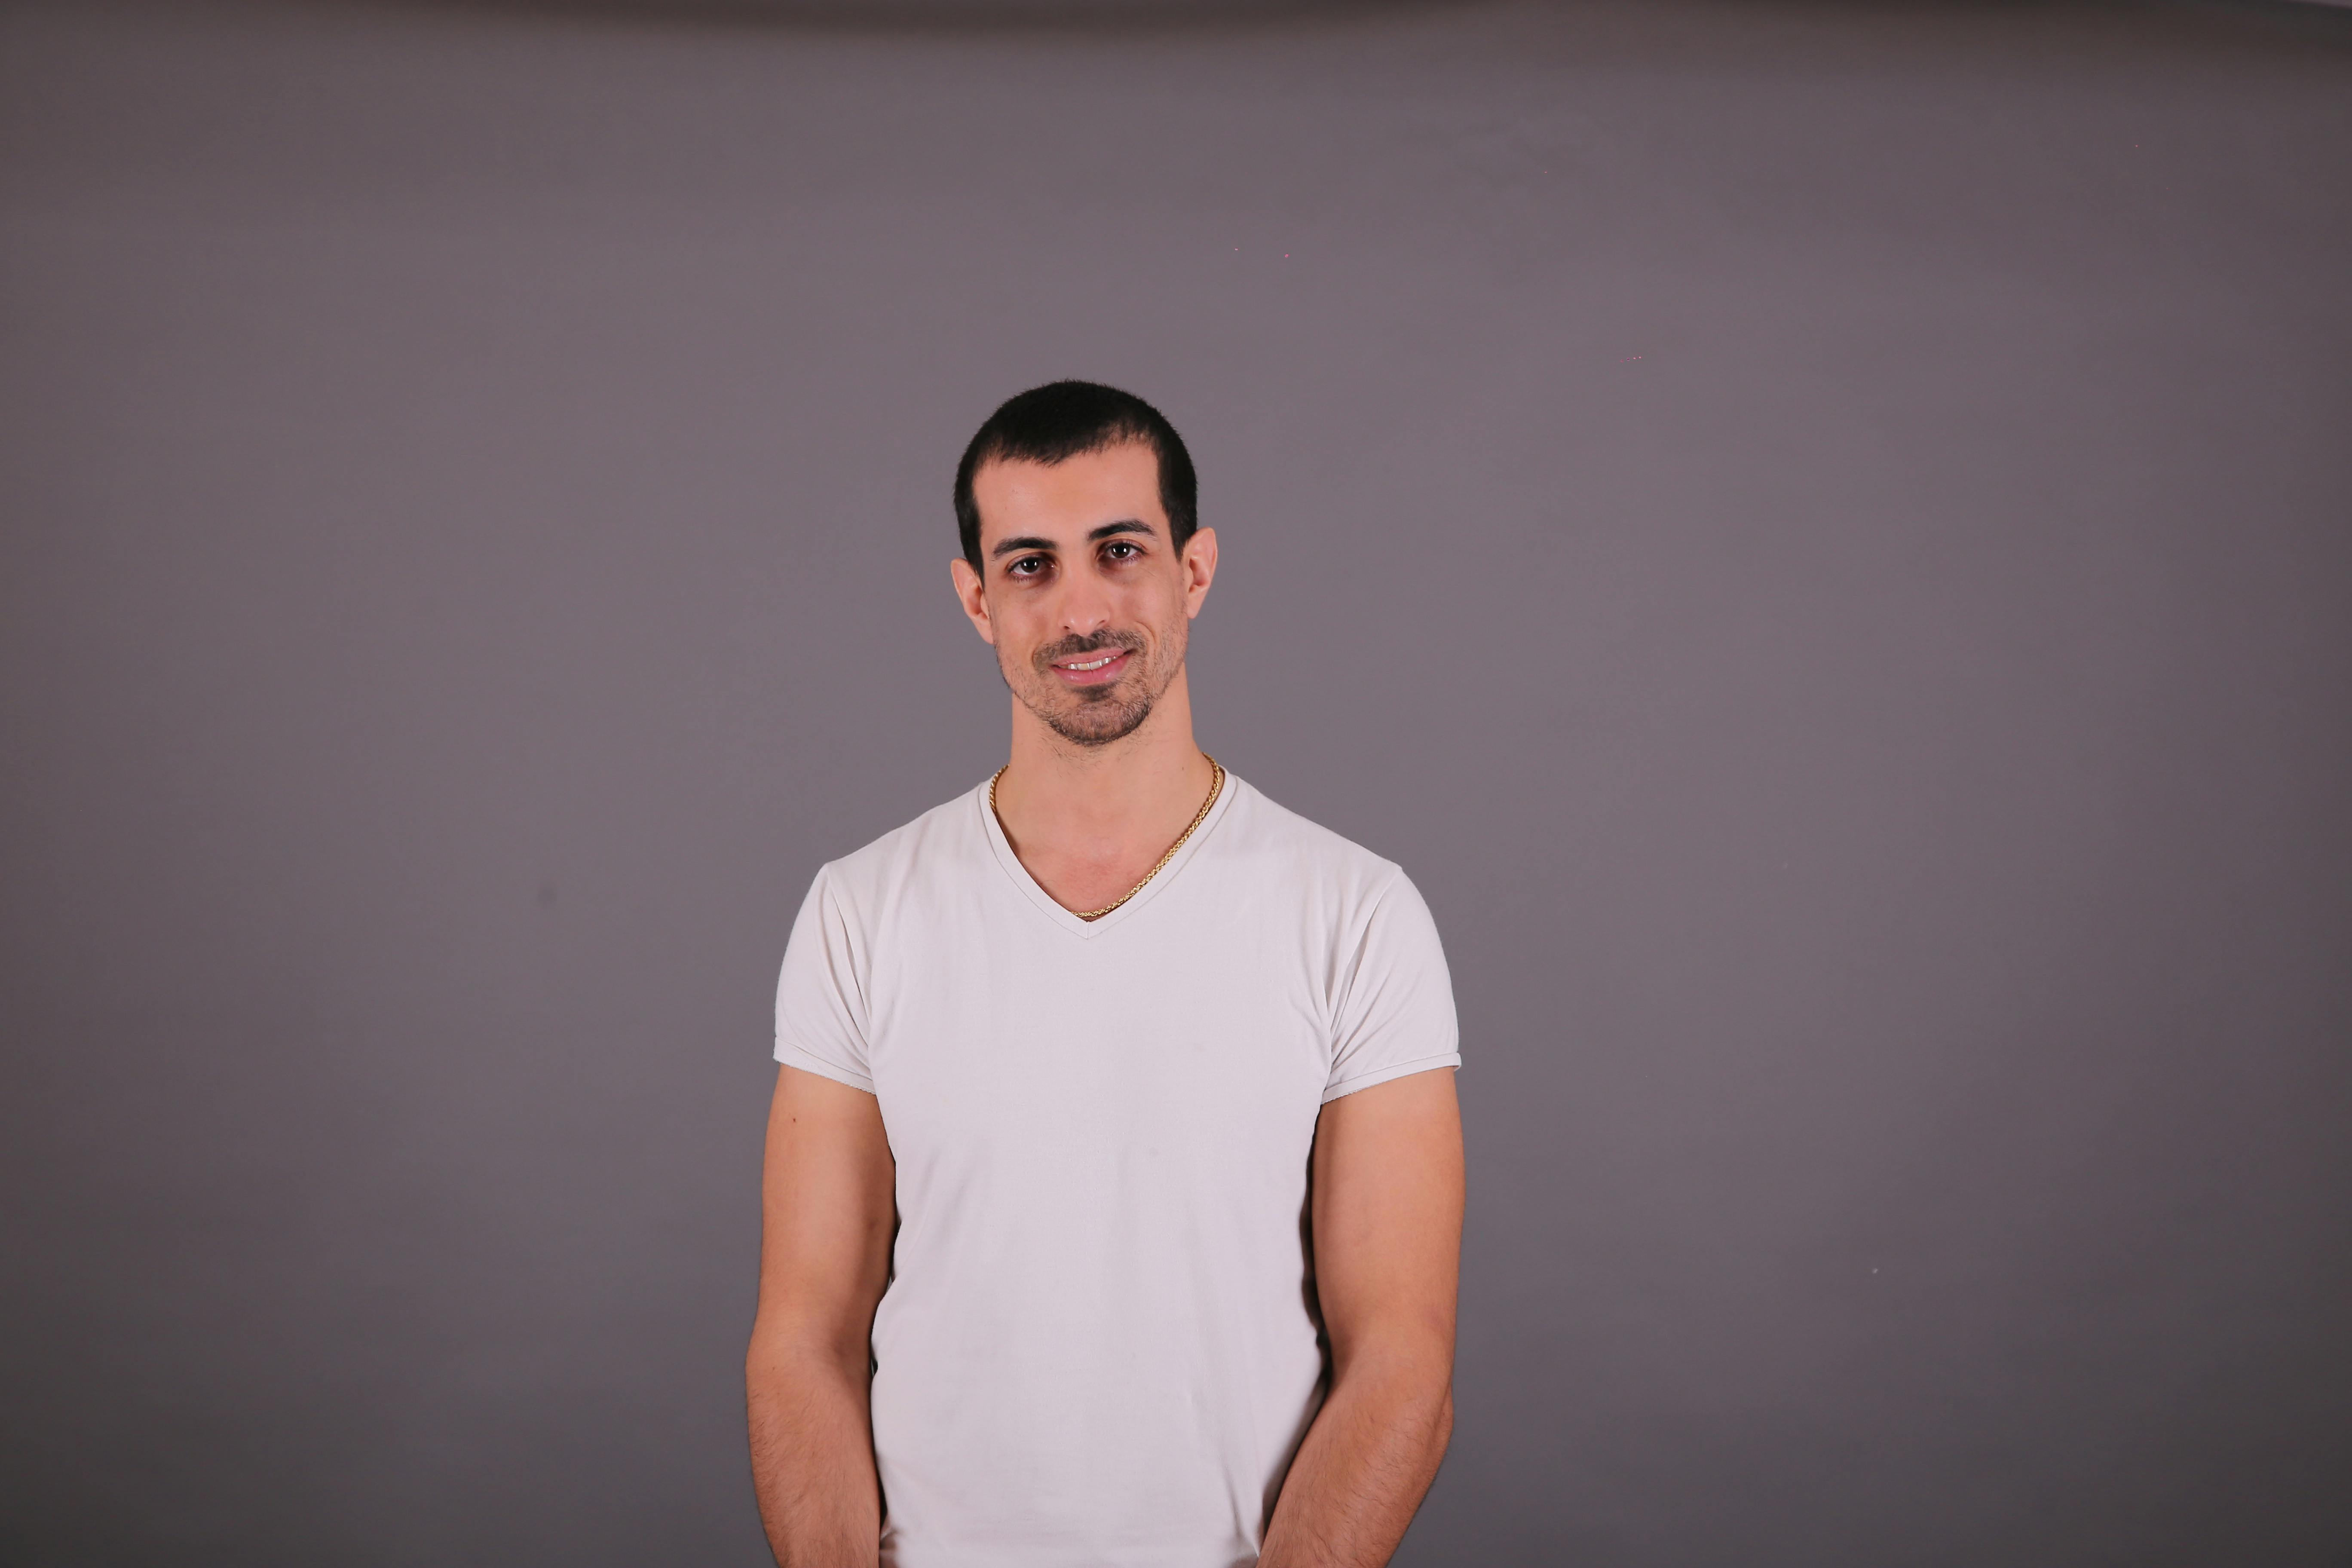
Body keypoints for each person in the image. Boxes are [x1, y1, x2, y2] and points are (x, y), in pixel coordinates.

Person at [745, 380, 1464, 1568]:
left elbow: (1401, 1358)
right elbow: (804, 1335)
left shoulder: (1354, 915)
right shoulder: (862, 912)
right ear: (976, 598)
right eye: (1030, 565)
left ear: (1195, 570)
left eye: (1118, 552)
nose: (1081, 609)